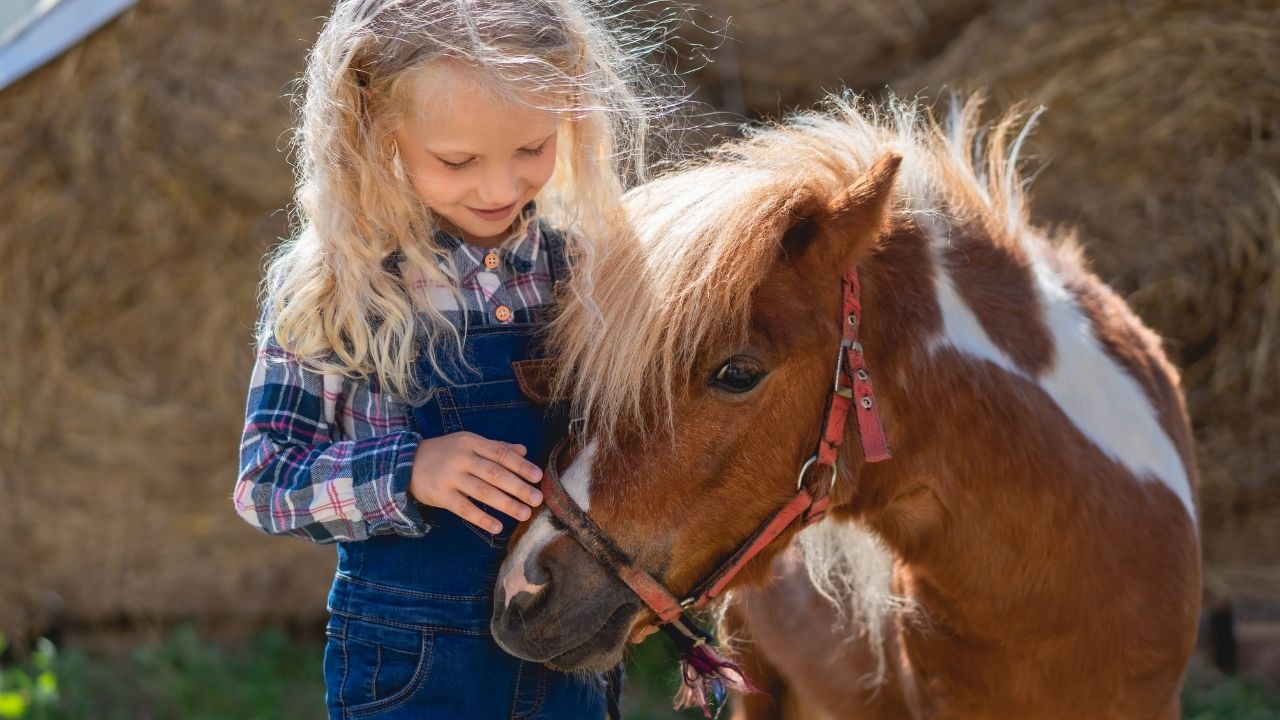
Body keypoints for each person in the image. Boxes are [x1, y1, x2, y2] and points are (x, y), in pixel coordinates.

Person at [233, 0, 662, 716]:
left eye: (532, 147)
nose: (500, 188)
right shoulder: (341, 286)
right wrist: (409, 471)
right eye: (458, 160)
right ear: (375, 127)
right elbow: (266, 482)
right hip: (413, 670)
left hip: (567, 657)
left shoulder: (585, 272)